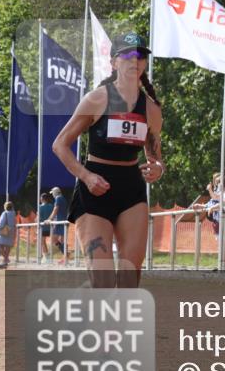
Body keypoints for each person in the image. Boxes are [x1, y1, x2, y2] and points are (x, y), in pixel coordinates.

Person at [52, 32, 164, 288]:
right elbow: (60, 145)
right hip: (95, 188)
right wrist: (87, 176)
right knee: (102, 279)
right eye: (126, 55)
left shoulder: (151, 110)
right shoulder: (97, 99)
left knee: (129, 279)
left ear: (144, 64)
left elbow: (154, 154)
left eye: (139, 56)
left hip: (131, 189)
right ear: (114, 62)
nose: (133, 61)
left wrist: (157, 167)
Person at [199, 173, 225, 270]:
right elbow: (215, 198)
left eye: (218, 183)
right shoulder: (223, 192)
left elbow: (224, 202)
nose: (217, 186)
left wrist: (213, 208)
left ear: (223, 183)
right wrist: (209, 190)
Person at [51, 186, 70, 265]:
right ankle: (65, 256)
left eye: (53, 193)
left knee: (55, 239)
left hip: (60, 221)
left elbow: (56, 209)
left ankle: (66, 255)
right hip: (62, 221)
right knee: (61, 241)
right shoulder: (63, 198)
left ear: (55, 193)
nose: (52, 195)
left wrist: (50, 218)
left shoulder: (58, 198)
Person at [0, 201, 17, 267]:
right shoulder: (13, 214)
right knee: (8, 246)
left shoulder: (4, 213)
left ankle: (6, 258)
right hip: (11, 231)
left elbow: (1, 224)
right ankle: (5, 260)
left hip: (4, 231)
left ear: (5, 207)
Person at [37, 192, 54, 261]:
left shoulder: (40, 207)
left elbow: (38, 218)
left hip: (43, 227)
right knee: (51, 242)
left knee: (42, 242)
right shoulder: (51, 206)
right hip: (50, 227)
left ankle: (47, 257)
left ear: (42, 199)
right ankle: (46, 255)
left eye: (41, 198)